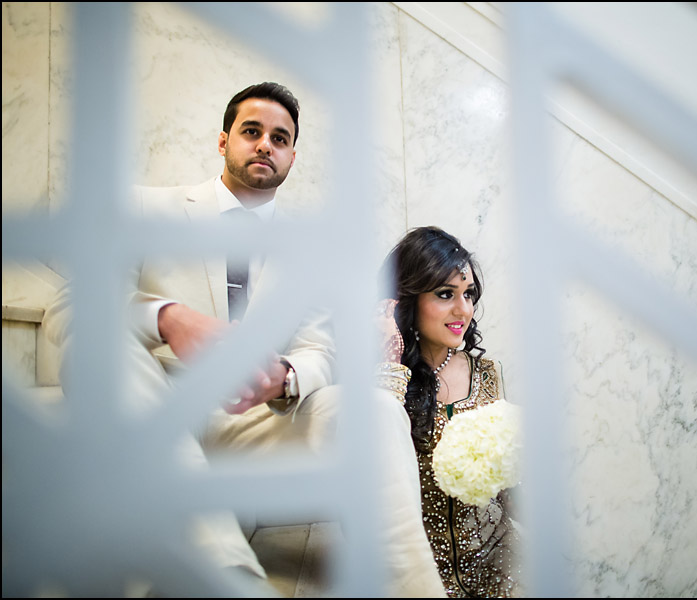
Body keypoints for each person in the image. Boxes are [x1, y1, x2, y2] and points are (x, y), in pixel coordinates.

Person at [42, 82, 445, 597]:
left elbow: (320, 350)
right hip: (152, 409)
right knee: (96, 346)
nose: (265, 145)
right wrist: (169, 318)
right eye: (251, 131)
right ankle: (227, 572)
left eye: (280, 138)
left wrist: (286, 377)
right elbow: (70, 305)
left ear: (292, 156)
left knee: (376, 410)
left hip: (255, 422)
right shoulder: (147, 208)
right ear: (223, 140)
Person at [378, 226, 523, 598]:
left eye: (468, 294)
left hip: (503, 564)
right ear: (406, 300)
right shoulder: (382, 384)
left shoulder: (487, 374)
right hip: (419, 580)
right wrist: (387, 365)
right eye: (445, 294)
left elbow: (509, 491)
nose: (463, 309)